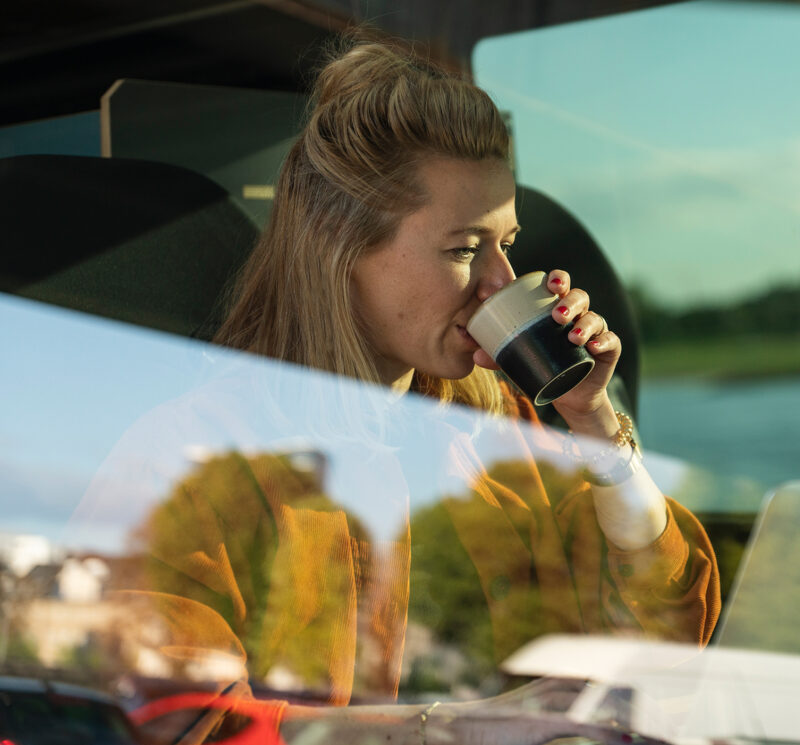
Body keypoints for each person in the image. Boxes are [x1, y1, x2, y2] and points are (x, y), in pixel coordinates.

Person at [116, 32, 720, 743]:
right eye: (464, 249)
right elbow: (179, 723)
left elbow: (663, 634)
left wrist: (595, 426)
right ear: (340, 247)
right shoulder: (191, 460)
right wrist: (459, 729)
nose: (499, 281)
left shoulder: (497, 431)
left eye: (507, 244)